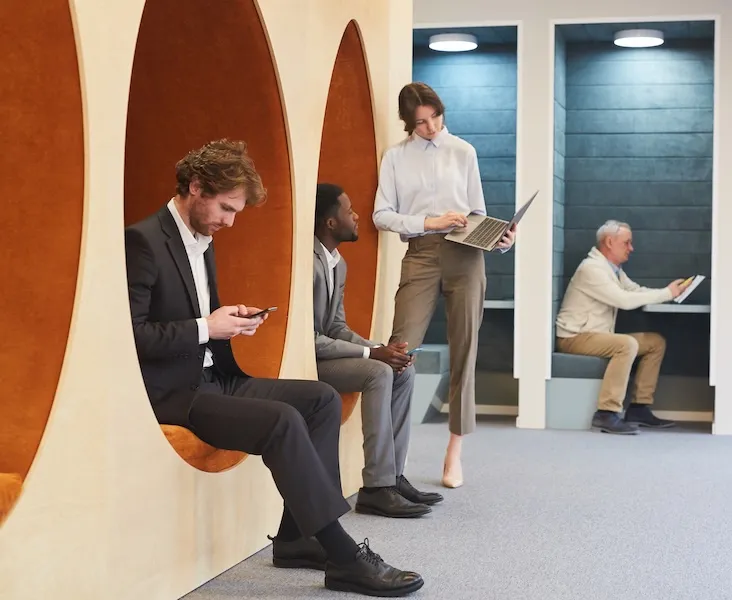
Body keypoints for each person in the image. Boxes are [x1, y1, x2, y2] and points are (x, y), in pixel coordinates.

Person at [124, 139, 423, 597]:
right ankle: (343, 556)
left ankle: (296, 538)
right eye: (226, 208)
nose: (230, 221)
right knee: (282, 420)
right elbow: (133, 335)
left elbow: (196, 315)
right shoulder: (143, 240)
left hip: (217, 378)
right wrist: (207, 327)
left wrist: (231, 321)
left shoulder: (201, 239)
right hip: (174, 392)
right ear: (196, 187)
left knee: (320, 399)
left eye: (236, 212)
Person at [372, 82, 515, 489]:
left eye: (435, 116)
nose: (432, 126)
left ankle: (454, 453)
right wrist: (427, 223)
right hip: (420, 252)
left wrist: (501, 239)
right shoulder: (396, 158)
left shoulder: (463, 151)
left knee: (465, 348)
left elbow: (478, 213)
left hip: (467, 254)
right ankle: (389, 460)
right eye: (421, 122)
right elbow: (381, 214)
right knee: (398, 350)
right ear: (408, 123)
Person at [313, 182, 443, 518]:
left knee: (401, 368)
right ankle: (375, 487)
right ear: (330, 222)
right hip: (306, 362)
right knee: (378, 371)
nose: (357, 216)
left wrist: (381, 347)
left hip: (331, 353)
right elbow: (310, 339)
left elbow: (336, 327)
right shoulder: (308, 264)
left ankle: (393, 478)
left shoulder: (337, 264)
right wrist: (373, 356)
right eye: (348, 210)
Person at [554, 220, 691, 435]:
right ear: (609, 242)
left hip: (596, 335)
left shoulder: (614, 270)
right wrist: (667, 293)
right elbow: (624, 300)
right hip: (574, 337)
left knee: (655, 342)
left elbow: (635, 291)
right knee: (626, 345)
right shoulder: (591, 269)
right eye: (627, 243)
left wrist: (672, 292)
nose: (631, 248)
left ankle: (638, 408)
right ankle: (606, 413)